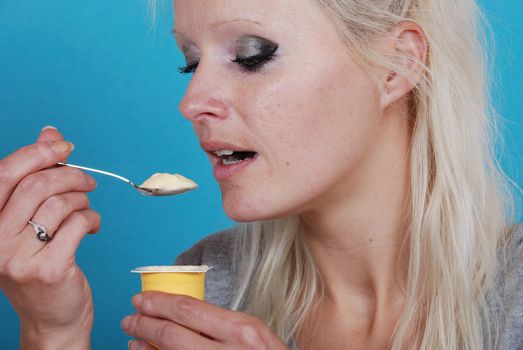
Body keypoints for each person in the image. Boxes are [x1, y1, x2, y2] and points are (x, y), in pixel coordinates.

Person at [0, 0, 521, 349]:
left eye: (251, 56)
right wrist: (52, 331)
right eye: (191, 62)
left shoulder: (512, 297)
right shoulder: (207, 285)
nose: (192, 101)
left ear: (397, 67)